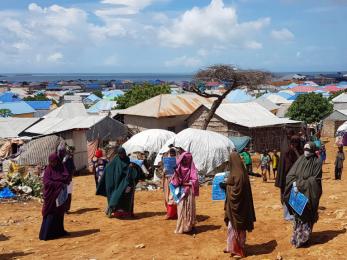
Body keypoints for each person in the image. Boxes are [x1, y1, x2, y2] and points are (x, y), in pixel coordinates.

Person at [284, 142, 322, 248]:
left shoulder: (317, 162)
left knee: (307, 215)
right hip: (298, 194)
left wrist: (298, 184)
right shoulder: (300, 159)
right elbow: (290, 175)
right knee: (298, 216)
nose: (306, 152)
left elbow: (315, 180)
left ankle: (305, 239)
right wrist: (294, 184)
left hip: (310, 193)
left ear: (313, 151)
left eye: (309, 150)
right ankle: (297, 238)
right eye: (305, 150)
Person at [222, 152, 256, 258]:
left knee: (238, 228)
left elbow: (237, 192)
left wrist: (226, 187)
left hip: (239, 208)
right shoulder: (238, 172)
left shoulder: (240, 175)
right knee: (231, 228)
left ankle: (238, 250)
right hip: (235, 208)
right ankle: (230, 247)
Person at [96, 147, 144, 218]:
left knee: (128, 198)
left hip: (127, 183)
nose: (122, 155)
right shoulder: (115, 161)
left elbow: (130, 170)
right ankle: (112, 210)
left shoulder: (127, 159)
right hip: (117, 184)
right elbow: (109, 168)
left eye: (123, 153)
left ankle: (128, 213)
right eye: (120, 154)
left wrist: (131, 167)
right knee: (116, 197)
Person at [39, 153, 70, 240]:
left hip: (60, 196)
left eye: (54, 161)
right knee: (50, 213)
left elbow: (67, 177)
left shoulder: (61, 168)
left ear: (57, 161)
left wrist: (59, 182)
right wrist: (59, 183)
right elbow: (46, 182)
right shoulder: (48, 170)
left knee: (59, 214)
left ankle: (59, 232)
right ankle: (46, 235)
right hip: (51, 196)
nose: (53, 163)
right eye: (51, 162)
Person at [275, 135, 303, 221]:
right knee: (286, 196)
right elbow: (283, 168)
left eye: (297, 143)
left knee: (296, 195)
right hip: (286, 179)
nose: (295, 145)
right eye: (294, 143)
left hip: (296, 179)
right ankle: (287, 215)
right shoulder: (286, 153)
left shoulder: (299, 152)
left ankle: (295, 214)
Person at [170, 152, 199, 234]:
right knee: (181, 209)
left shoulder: (192, 169)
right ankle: (182, 227)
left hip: (189, 191)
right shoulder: (178, 168)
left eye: (188, 159)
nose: (186, 161)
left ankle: (190, 226)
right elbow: (174, 182)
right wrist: (176, 175)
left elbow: (195, 180)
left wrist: (186, 183)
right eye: (185, 159)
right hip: (181, 191)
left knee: (190, 208)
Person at [162, 148, 178, 219]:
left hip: (174, 180)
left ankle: (171, 214)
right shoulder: (166, 161)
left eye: (173, 154)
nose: (172, 156)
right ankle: (171, 212)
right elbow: (163, 171)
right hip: (167, 179)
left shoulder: (178, 160)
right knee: (167, 196)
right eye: (171, 154)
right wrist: (164, 171)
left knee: (172, 196)